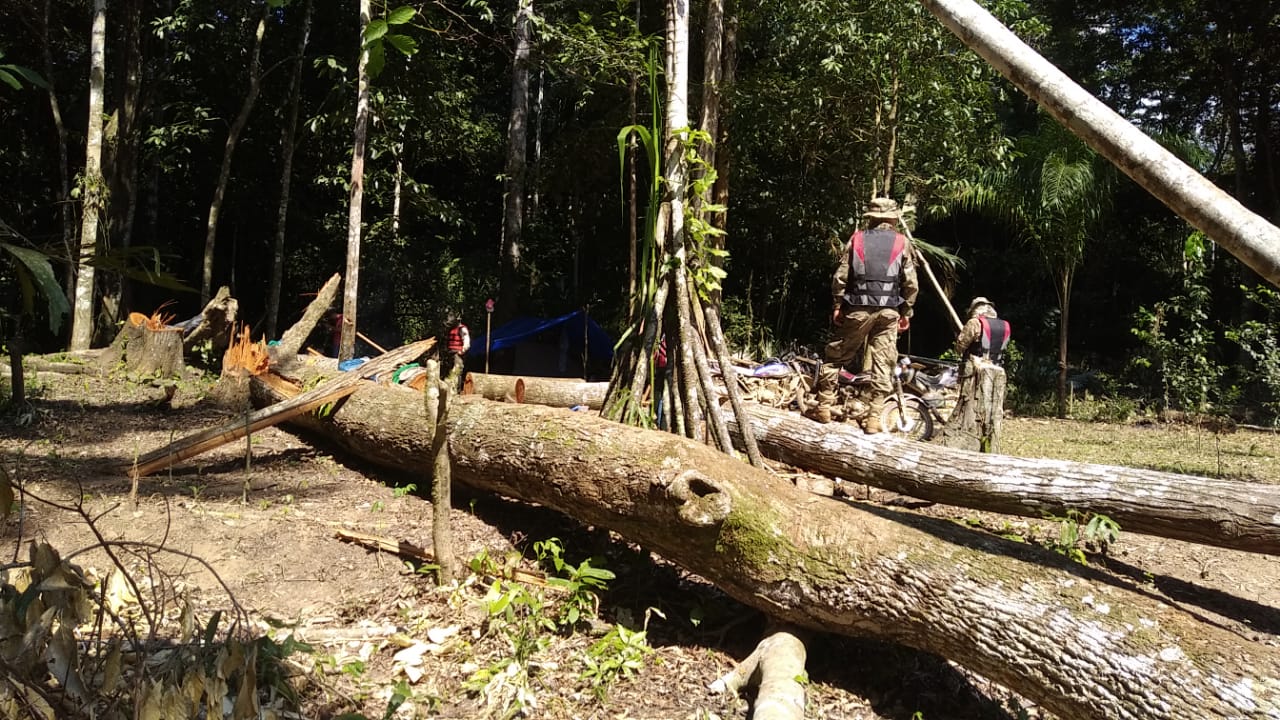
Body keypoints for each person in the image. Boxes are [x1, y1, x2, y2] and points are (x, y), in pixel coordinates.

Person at [808, 197, 919, 432]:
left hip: (858, 308)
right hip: (889, 311)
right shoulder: (902, 242)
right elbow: (911, 283)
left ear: (871, 218)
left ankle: (824, 406)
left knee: (836, 356)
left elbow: (840, 277)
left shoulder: (857, 239)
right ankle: (873, 418)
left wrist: (838, 304)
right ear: (893, 219)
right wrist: (906, 312)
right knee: (883, 363)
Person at [953, 297, 1010, 365]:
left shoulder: (974, 322)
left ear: (974, 310)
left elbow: (961, 345)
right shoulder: (1004, 325)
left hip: (975, 366)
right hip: (996, 367)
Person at [444, 316, 470, 381]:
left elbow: (466, 341)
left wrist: (463, 351)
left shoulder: (462, 329)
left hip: (458, 353)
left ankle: (456, 386)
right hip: (451, 353)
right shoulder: (452, 329)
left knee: (457, 370)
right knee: (451, 371)